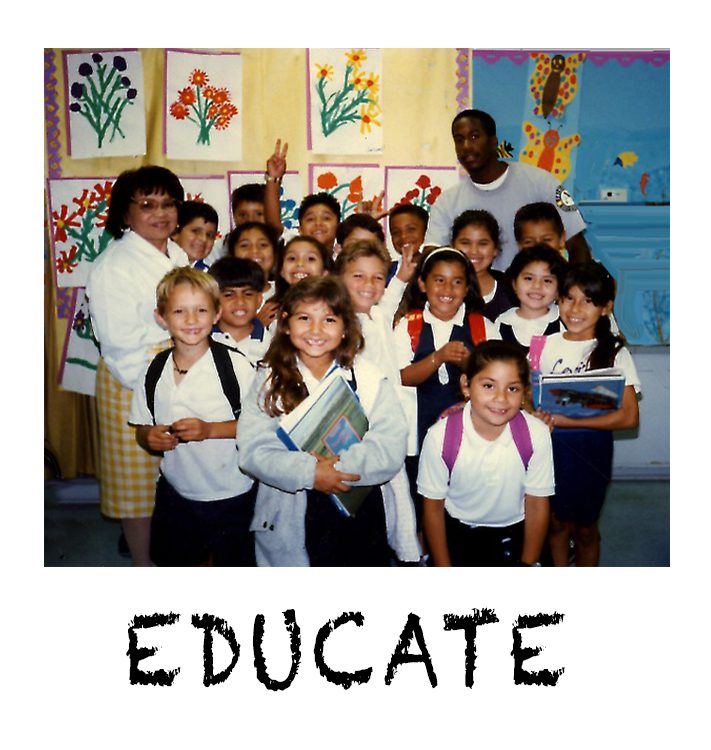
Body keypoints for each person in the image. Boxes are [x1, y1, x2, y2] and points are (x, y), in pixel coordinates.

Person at [237, 276, 408, 566]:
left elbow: (390, 444)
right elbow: (253, 450)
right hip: (291, 504)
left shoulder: (368, 377)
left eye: (329, 319)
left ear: (345, 328)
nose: (315, 330)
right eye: (304, 318)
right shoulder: (269, 380)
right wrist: (311, 473)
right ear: (286, 324)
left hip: (358, 497)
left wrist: (337, 471)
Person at [85, 165, 189, 566]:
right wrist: (154, 395)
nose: (160, 213)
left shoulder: (174, 252)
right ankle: (145, 570)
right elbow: (120, 346)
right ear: (125, 214)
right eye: (147, 204)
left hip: (177, 368)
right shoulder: (115, 266)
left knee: (175, 476)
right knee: (139, 489)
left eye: (168, 203)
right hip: (134, 378)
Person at [129, 267, 257, 566]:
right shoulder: (153, 371)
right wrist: (149, 436)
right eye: (179, 311)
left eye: (201, 310)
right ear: (161, 317)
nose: (190, 320)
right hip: (177, 494)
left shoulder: (235, 367)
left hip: (233, 493)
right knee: (178, 563)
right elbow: (141, 425)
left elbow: (260, 427)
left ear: (216, 313)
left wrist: (209, 430)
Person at [533, 261, 640, 567]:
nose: (576, 308)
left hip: (590, 451)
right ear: (559, 301)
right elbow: (528, 394)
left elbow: (630, 417)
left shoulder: (614, 352)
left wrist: (567, 420)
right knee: (554, 523)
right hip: (547, 449)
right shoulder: (541, 345)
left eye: (588, 301)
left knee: (585, 529)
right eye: (569, 298)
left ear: (605, 308)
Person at [418, 340, 554, 566]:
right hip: (459, 535)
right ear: (466, 386)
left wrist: (528, 563)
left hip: (517, 535)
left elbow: (538, 504)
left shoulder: (536, 434)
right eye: (489, 386)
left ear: (524, 393)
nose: (501, 399)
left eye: (512, 388)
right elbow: (432, 508)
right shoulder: (440, 436)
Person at [393, 246, 499, 534]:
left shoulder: (483, 327)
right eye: (438, 280)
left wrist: (471, 364)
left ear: (467, 287)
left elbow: (497, 380)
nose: (447, 289)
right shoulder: (407, 326)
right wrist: (437, 357)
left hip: (471, 434)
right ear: (422, 284)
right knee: (423, 499)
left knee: (465, 497)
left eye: (457, 281)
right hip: (419, 431)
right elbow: (401, 376)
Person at [334, 240, 421, 563]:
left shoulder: (377, 314)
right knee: (366, 503)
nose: (369, 285)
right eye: (358, 276)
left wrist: (402, 277)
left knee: (395, 501)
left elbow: (389, 299)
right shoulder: (340, 324)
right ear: (339, 277)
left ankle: (398, 555)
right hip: (360, 429)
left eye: (377, 278)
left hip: (389, 423)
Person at [424, 109, 591, 269]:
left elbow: (577, 245)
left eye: (474, 136)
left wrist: (573, 292)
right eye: (459, 139)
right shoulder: (447, 202)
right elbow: (431, 258)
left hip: (540, 294)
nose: (466, 146)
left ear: (493, 141)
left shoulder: (542, 182)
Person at [495, 244, 568, 354]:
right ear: (514, 283)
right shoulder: (502, 322)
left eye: (547, 280)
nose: (537, 286)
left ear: (558, 290)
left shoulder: (565, 321)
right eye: (529, 278)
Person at [451, 209, 518, 322]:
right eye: (465, 243)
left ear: (495, 248)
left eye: (483, 244)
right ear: (452, 245)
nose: (473, 251)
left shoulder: (512, 287)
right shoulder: (442, 287)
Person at [209, 256, 273, 366]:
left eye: (248, 294)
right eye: (229, 295)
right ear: (214, 300)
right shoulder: (202, 341)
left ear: (259, 300)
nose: (240, 302)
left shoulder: (272, 345)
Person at [386, 203, 429, 285]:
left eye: (411, 229)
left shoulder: (435, 268)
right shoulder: (387, 271)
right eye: (396, 232)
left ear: (426, 231)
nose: (403, 236)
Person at [173, 200, 219, 270]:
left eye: (210, 235)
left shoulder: (210, 276)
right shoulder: (157, 267)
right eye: (196, 231)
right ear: (175, 232)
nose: (204, 239)